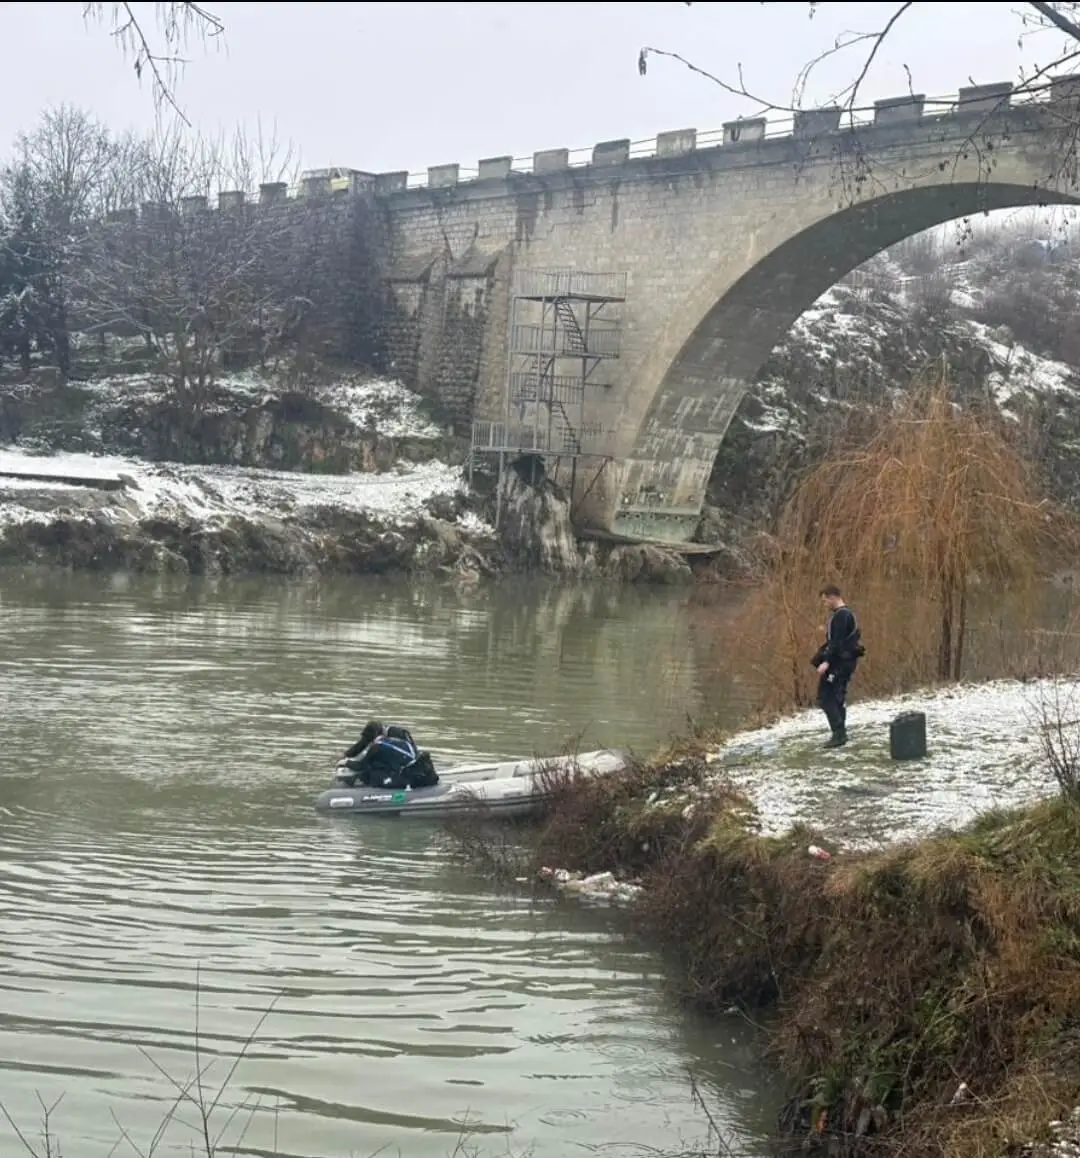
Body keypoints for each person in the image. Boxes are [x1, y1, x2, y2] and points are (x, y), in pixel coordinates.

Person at [811, 585, 864, 749]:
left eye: (825, 600)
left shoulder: (841, 616)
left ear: (833, 597)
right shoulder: (847, 615)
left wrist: (826, 661)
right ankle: (840, 733)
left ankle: (838, 733)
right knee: (837, 696)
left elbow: (836, 642)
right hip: (845, 662)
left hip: (839, 664)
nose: (824, 604)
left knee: (826, 697)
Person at [337, 720, 439, 789]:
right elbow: (363, 743)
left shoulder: (379, 745)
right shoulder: (387, 737)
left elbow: (362, 765)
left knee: (371, 771)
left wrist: (345, 762)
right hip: (409, 763)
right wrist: (346, 754)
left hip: (405, 771)